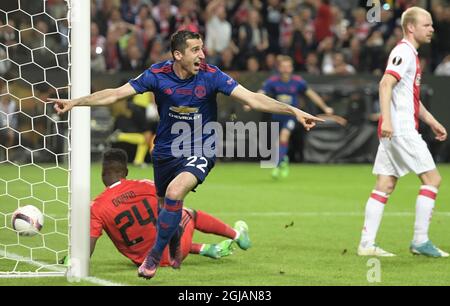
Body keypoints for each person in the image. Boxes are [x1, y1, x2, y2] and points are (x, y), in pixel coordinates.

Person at [50, 30, 323, 279]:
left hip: (201, 148)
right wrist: (75, 102)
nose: (202, 55)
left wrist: (293, 111)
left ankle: (154, 259)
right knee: (163, 208)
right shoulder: (156, 75)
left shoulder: (212, 75)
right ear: (178, 55)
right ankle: (174, 243)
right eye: (195, 50)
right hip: (166, 151)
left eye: (202, 49)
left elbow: (253, 98)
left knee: (175, 191)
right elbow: (115, 94)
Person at [357, 7, 448, 258]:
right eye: (427, 25)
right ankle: (420, 240)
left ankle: (366, 244)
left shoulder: (411, 54)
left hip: (396, 129)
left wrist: (432, 121)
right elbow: (385, 83)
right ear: (411, 27)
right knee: (433, 180)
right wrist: (387, 119)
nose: (432, 29)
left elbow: (410, 99)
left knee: (385, 184)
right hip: (401, 130)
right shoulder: (404, 52)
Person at [90, 148, 252, 267]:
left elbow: (90, 240)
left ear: (102, 174)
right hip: (173, 254)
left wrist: (77, 259)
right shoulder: (145, 185)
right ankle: (238, 236)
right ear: (126, 171)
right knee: (185, 213)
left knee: (152, 230)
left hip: (142, 261)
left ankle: (206, 248)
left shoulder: (96, 206)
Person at [259, 55, 334, 179]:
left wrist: (325, 107)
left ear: (292, 68)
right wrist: (250, 103)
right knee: (279, 143)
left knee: (284, 137)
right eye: (283, 67)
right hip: (277, 115)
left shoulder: (298, 81)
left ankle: (277, 167)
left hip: (291, 116)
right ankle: (283, 160)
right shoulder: (272, 81)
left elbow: (311, 94)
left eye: (288, 66)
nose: (286, 69)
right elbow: (261, 93)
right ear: (279, 68)